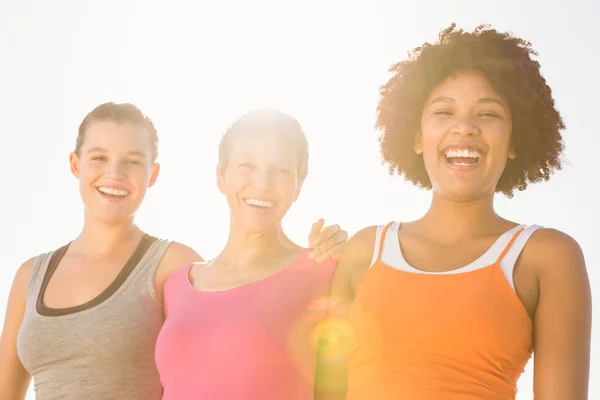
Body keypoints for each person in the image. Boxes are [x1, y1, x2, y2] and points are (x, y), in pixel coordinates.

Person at [315, 24, 592, 400]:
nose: (464, 128)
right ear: (416, 136)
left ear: (514, 140)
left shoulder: (546, 257)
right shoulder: (365, 249)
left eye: (488, 114)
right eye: (443, 111)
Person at [0, 102, 348, 400]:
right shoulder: (32, 275)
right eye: (99, 157)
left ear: (152, 174)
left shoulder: (173, 266)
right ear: (76, 165)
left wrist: (337, 254)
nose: (115, 173)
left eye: (133, 162)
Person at [156, 108, 342, 399]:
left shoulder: (324, 269)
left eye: (280, 170)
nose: (263, 184)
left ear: (299, 186)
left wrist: (350, 254)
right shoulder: (175, 285)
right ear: (221, 177)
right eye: (247, 166)